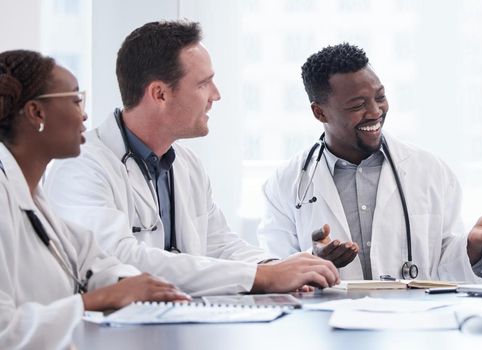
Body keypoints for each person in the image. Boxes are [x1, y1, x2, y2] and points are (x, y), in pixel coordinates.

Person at [44, 20, 339, 295]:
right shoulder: (82, 165)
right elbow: (116, 259)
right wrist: (259, 277)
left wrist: (278, 267)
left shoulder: (185, 163)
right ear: (159, 94)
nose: (216, 95)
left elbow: (220, 244)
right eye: (203, 84)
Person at [257, 43, 482, 281]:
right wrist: (313, 260)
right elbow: (275, 271)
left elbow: (446, 266)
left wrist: (473, 245)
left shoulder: (430, 170)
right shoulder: (285, 183)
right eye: (357, 105)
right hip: (323, 326)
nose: (375, 112)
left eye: (380, 97)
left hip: (410, 326)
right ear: (319, 112)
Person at [0, 50, 190, 349]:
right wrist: (95, 300)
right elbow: (4, 332)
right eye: (76, 100)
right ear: (37, 113)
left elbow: (93, 261)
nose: (84, 114)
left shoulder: (32, 196)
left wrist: (128, 285)